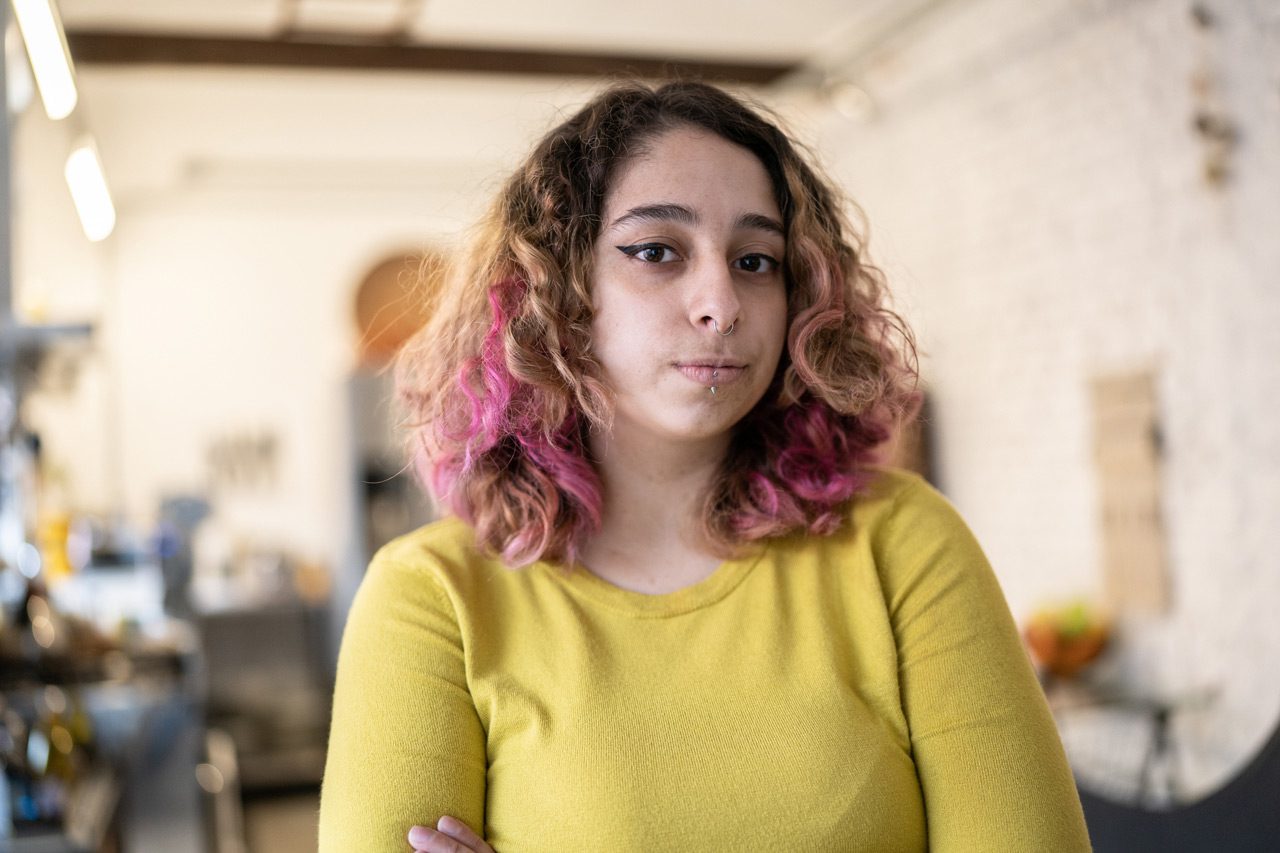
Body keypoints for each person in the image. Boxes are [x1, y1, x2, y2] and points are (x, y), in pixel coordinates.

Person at [317, 80, 1092, 852]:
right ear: (554, 292)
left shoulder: (903, 543)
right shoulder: (433, 599)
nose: (722, 302)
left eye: (757, 260)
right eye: (657, 251)